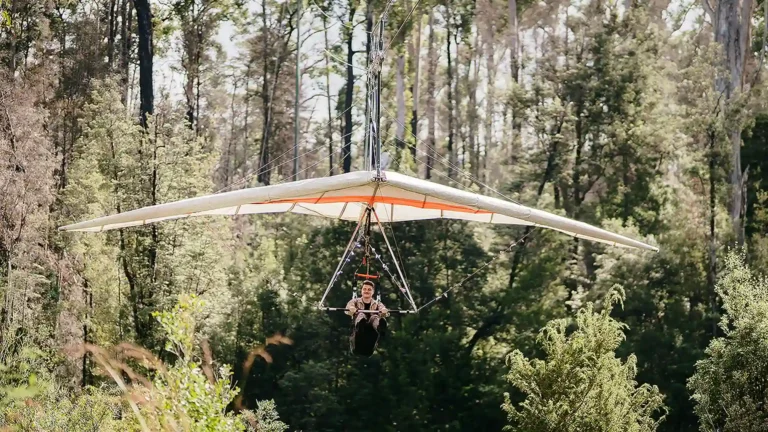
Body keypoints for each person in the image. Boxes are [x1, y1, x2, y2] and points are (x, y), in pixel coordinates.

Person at [346, 281, 389, 355]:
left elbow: (384, 311)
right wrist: (352, 309)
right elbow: (348, 309)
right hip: (359, 331)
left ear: (373, 292)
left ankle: (379, 328)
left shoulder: (377, 303)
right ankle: (361, 325)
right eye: (364, 289)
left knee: (375, 317)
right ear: (361, 290)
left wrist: (383, 312)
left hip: (371, 329)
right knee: (361, 314)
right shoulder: (355, 301)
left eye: (369, 289)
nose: (366, 291)